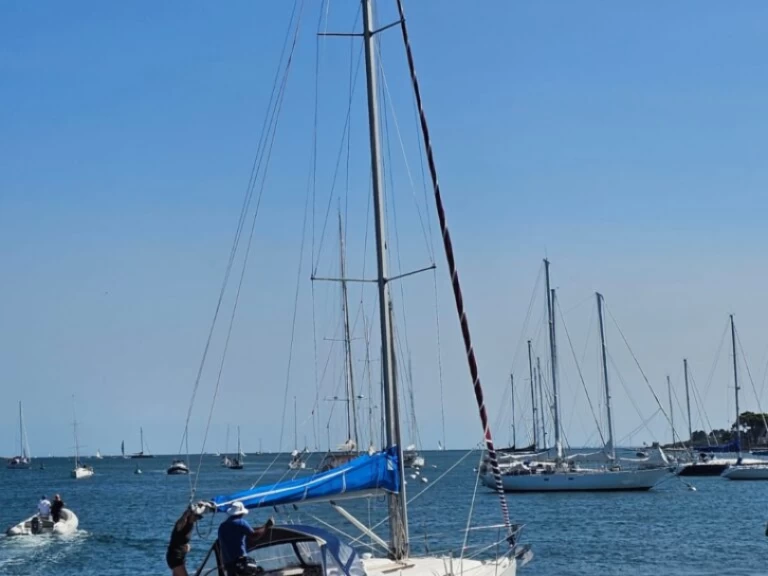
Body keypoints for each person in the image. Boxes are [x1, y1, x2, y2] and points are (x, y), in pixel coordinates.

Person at [217, 502, 273, 576]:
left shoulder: (222, 526)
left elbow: (221, 545)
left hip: (228, 564)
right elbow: (254, 536)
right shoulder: (240, 523)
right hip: (240, 563)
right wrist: (267, 526)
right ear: (241, 513)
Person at [166, 502, 210, 576]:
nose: (196, 519)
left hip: (180, 557)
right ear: (190, 515)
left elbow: (182, 538)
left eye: (198, 517)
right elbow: (179, 525)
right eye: (196, 516)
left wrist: (186, 545)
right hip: (175, 558)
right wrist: (186, 513)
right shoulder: (182, 523)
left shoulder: (190, 524)